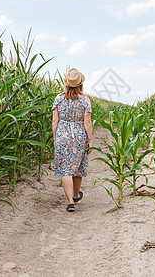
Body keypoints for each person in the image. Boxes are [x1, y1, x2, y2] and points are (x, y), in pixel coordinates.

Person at [52, 68, 93, 212]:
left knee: (65, 170)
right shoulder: (84, 100)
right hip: (79, 136)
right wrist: (90, 140)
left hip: (62, 134)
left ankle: (70, 201)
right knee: (77, 167)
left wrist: (55, 137)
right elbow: (87, 122)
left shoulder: (58, 98)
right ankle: (75, 195)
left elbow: (55, 120)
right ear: (80, 84)